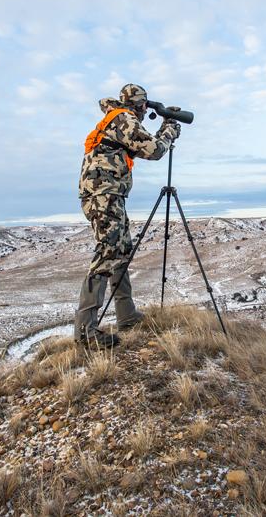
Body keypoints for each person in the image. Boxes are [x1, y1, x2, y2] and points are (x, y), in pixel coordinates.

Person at [75, 83, 181, 348]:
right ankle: (85, 332)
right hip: (104, 195)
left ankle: (126, 315)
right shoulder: (123, 119)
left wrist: (163, 129)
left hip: (108, 194)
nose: (145, 111)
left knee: (121, 249)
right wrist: (169, 129)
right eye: (145, 106)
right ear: (140, 105)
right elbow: (154, 150)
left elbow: (141, 146)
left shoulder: (118, 120)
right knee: (108, 252)